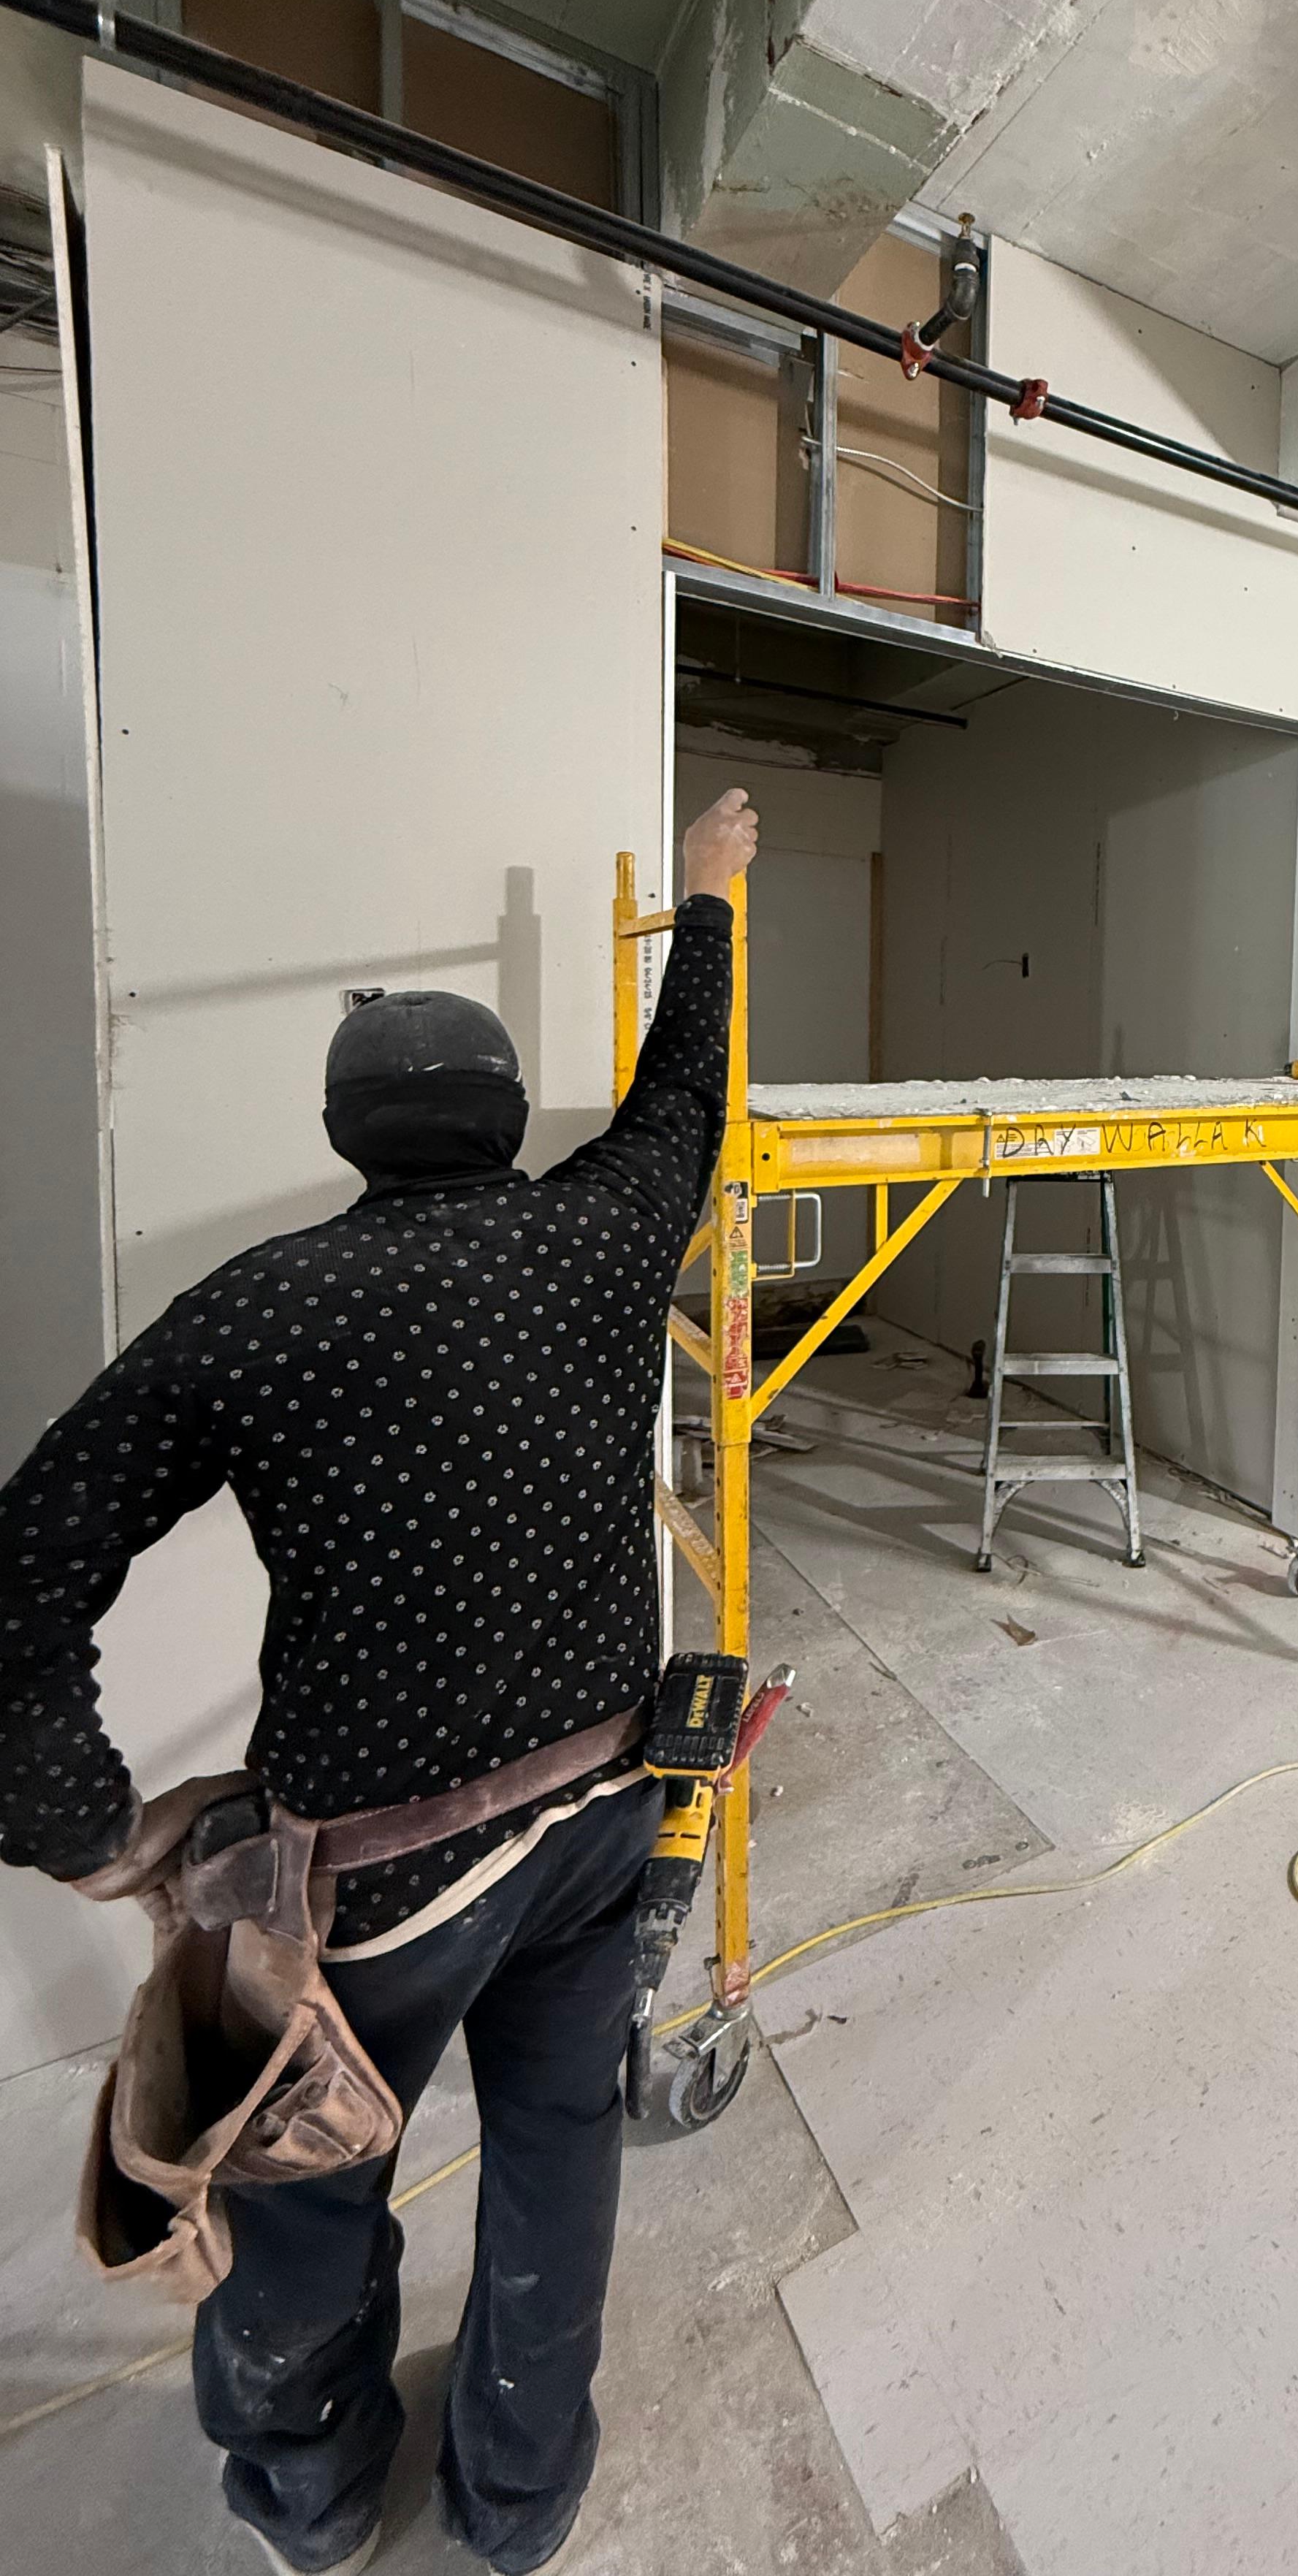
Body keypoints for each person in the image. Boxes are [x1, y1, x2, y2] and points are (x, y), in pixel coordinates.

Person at [0, 785, 760, 2576]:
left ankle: (316, 2497)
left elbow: (21, 1560)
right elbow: (685, 1103)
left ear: (351, 1134)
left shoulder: (261, 1311)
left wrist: (82, 1818)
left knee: (306, 2202)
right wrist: (714, 900)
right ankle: (519, 2502)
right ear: (502, 1124)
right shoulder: (599, 1238)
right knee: (562, 2146)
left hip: (377, 1890)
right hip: (599, 1817)